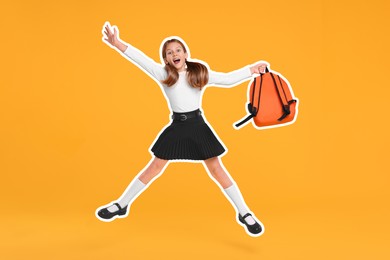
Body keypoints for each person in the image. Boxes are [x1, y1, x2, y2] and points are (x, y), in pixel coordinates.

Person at [96, 22, 267, 237]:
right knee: (155, 166)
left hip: (198, 126)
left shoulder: (200, 72)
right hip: (177, 126)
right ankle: (121, 205)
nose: (174, 54)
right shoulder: (163, 74)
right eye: (169, 52)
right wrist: (117, 44)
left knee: (216, 168)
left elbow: (227, 79)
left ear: (185, 54)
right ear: (166, 59)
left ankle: (244, 213)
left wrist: (252, 69)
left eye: (178, 50)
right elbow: (140, 58)